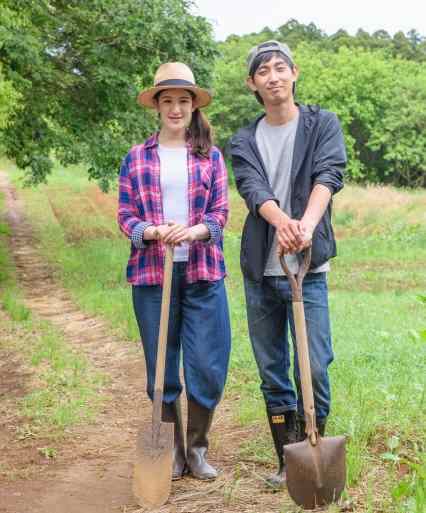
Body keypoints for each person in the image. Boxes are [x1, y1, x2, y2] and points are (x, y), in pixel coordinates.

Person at [229, 41, 346, 488]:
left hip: (308, 268)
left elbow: (328, 174)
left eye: (280, 68)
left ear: (294, 73)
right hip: (262, 269)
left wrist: (307, 225)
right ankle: (287, 459)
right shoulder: (243, 138)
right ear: (252, 83)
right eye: (263, 71)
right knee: (273, 370)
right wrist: (282, 223)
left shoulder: (322, 124)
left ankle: (318, 446)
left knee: (313, 363)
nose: (273, 76)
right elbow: (252, 187)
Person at [118, 62, 231, 481]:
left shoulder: (211, 157)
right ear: (158, 107)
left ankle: (198, 449)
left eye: (184, 101)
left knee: (207, 365)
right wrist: (150, 231)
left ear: (193, 107)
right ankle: (173, 453)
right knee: (161, 369)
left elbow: (221, 214)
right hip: (152, 278)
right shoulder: (136, 157)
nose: (176, 108)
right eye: (168, 101)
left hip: (203, 275)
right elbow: (125, 214)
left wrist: (197, 230)